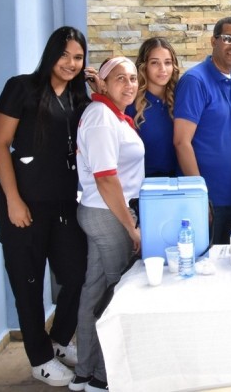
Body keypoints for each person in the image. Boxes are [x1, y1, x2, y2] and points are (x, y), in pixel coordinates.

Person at [0, 26, 90, 387]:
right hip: (24, 205)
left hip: (64, 206)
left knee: (78, 275)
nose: (70, 63)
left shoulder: (79, 100)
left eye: (78, 57)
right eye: (64, 55)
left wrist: (99, 88)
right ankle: (40, 358)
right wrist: (13, 200)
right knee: (28, 284)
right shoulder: (22, 88)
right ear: (50, 54)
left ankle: (60, 339)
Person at [73, 57, 144, 392]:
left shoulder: (111, 115)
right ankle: (104, 377)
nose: (129, 84)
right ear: (102, 83)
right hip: (109, 214)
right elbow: (105, 178)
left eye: (133, 78)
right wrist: (130, 227)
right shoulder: (101, 117)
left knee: (94, 292)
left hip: (102, 211)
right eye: (120, 78)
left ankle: (84, 372)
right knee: (117, 295)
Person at [174, 17, 231, 244]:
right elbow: (181, 142)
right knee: (204, 261)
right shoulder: (195, 81)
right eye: (228, 38)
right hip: (206, 198)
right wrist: (199, 196)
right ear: (213, 41)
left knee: (228, 260)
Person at [126, 37, 180, 178]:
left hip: (180, 182)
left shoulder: (181, 99)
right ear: (144, 66)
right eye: (155, 62)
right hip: (142, 183)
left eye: (167, 62)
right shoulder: (130, 104)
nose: (163, 69)